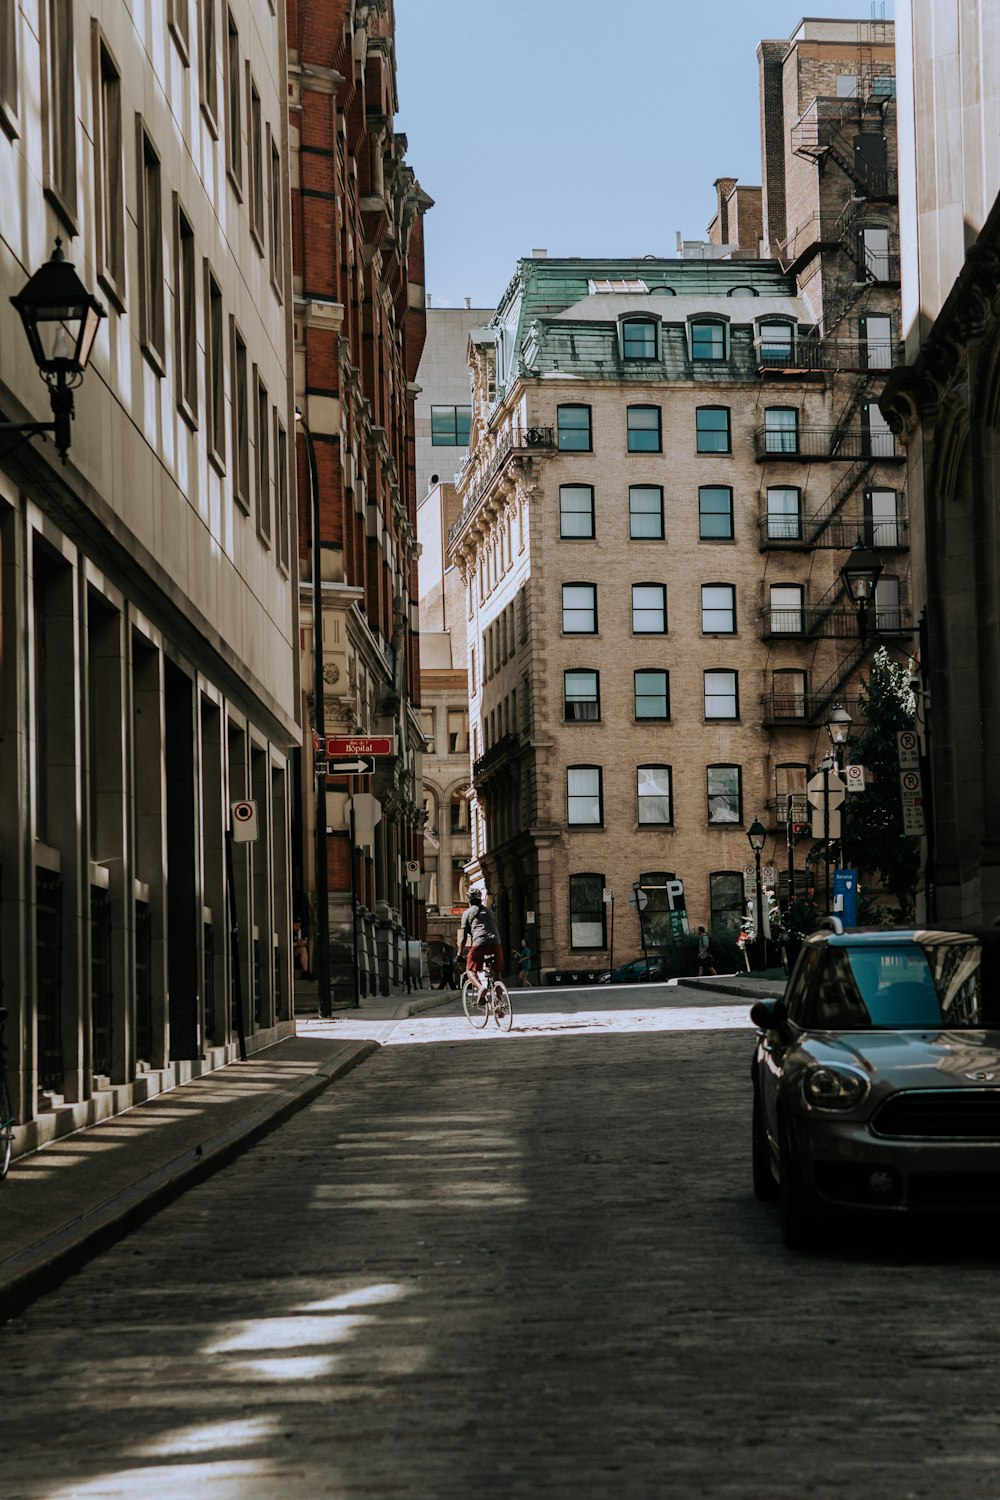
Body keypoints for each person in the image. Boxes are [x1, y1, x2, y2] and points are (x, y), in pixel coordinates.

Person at [457, 889, 504, 992]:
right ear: (480, 899)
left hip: (479, 943)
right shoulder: (490, 911)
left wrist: (459, 953)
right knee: (497, 972)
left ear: (469, 900)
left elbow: (464, 937)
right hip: (495, 943)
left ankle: (480, 988)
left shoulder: (467, 913)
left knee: (469, 970)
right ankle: (500, 999)